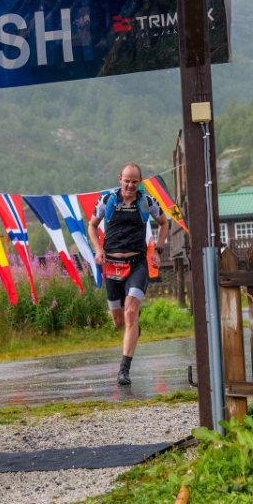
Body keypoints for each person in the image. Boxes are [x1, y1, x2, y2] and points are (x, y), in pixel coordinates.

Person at [88, 162, 168, 385]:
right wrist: (98, 249)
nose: (130, 185)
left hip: (137, 264)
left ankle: (124, 370)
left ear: (140, 182)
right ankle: (133, 329)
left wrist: (158, 250)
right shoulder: (107, 201)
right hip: (111, 265)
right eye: (127, 181)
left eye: (134, 181)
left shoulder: (147, 202)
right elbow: (92, 226)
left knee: (131, 312)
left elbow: (164, 222)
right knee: (118, 321)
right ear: (119, 179)